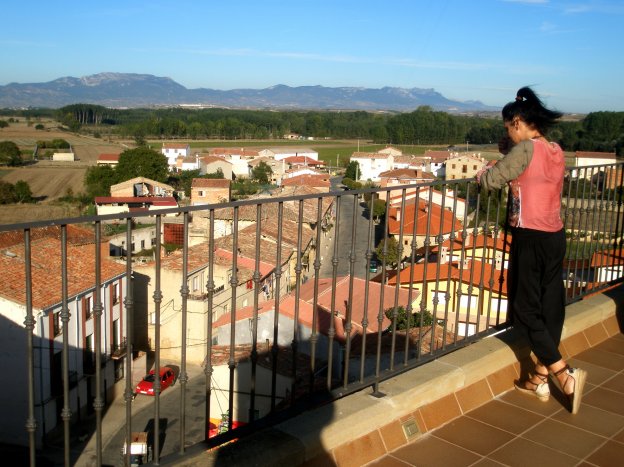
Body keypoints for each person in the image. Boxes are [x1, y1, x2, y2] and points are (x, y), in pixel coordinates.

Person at [476, 86, 587, 414]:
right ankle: (538, 376)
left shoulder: (524, 152)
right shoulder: (555, 149)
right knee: (552, 304)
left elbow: (491, 181)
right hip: (555, 235)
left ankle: (563, 374)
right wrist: (510, 150)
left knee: (525, 309)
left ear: (518, 122)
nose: (506, 132)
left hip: (531, 237)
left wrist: (485, 169)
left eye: (508, 127)